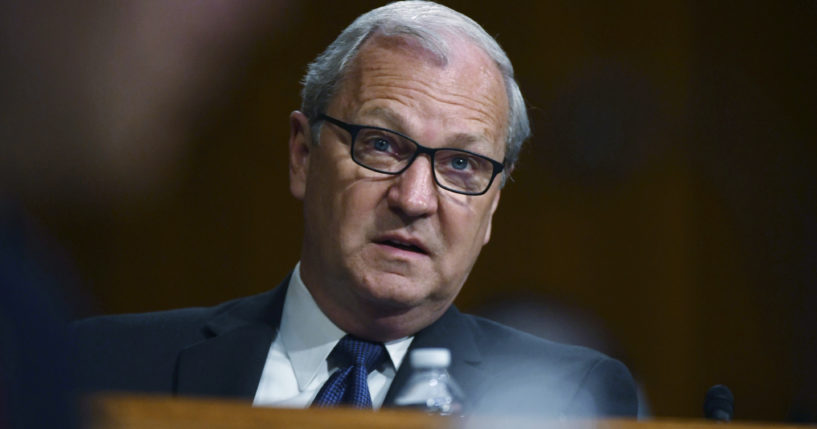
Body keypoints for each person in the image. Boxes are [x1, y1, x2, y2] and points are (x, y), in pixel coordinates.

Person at [72, 1, 638, 417]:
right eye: (382, 145)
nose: (414, 200)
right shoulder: (105, 364)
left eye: (461, 165)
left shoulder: (568, 398)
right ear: (302, 155)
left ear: (493, 204)